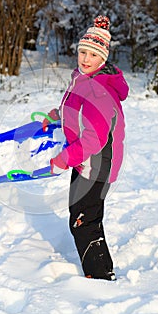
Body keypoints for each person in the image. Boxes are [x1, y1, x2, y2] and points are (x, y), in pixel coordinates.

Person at [43, 15, 129, 281]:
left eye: (93, 54)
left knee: (83, 223)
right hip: (83, 163)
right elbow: (76, 110)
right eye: (83, 52)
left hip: (96, 167)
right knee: (81, 217)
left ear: (103, 58)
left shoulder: (99, 91)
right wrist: (58, 115)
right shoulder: (81, 78)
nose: (85, 58)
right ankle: (99, 269)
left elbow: (94, 139)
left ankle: (102, 278)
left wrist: (63, 159)